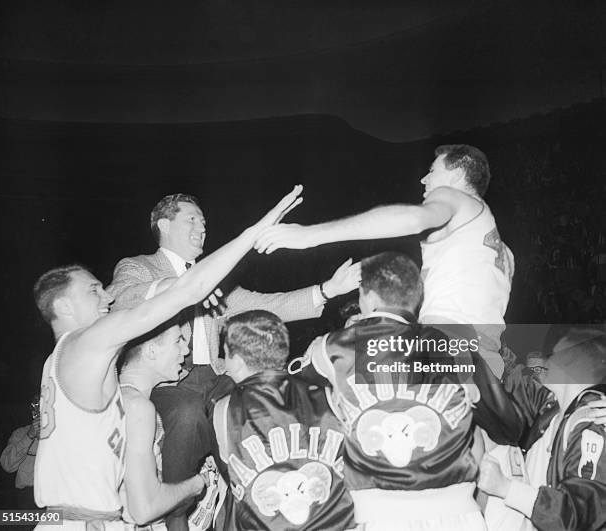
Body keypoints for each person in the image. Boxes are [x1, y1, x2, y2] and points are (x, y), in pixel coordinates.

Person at [32, 186, 303, 530]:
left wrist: (195, 484)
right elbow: (179, 292)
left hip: (100, 519)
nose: (106, 297)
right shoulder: (86, 342)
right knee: (187, 416)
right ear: (64, 307)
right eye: (94, 290)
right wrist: (253, 233)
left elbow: (144, 508)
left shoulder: (98, 380)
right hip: (75, 521)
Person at [107, 192, 359, 531]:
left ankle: (268, 502)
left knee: (269, 395)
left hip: (216, 375)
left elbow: (271, 305)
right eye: (191, 219)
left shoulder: (215, 277)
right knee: (186, 414)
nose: (202, 227)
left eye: (204, 222)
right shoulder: (138, 267)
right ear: (164, 225)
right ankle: (174, 513)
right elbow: (124, 298)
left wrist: (327, 290)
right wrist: (185, 285)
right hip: (168, 380)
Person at [295, 252, 522, 531]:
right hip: (457, 512)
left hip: (377, 514)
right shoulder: (451, 343)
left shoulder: (329, 348)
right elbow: (508, 424)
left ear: (367, 296)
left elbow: (298, 416)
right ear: (416, 298)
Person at [255, 144, 513, 377]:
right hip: (485, 359)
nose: (424, 179)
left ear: (456, 175)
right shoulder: (498, 249)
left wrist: (308, 235)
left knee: (326, 357)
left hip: (450, 348)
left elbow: (414, 219)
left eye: (432, 170)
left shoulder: (454, 196)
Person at [211, 310, 355, 531]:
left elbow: (230, 472)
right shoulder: (329, 395)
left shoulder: (224, 409)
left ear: (238, 362)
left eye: (226, 354)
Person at [479, 325, 606, 531]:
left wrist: (505, 487)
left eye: (554, 355)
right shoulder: (552, 407)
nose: (544, 362)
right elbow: (514, 377)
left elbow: (579, 514)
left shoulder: (591, 422)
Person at [118, 321, 208, 529]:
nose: (186, 351)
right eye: (178, 341)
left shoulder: (122, 398)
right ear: (151, 351)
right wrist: (196, 484)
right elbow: (143, 511)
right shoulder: (136, 407)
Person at [0, 394, 40, 490]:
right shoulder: (20, 433)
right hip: (28, 494)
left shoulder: (60, 436)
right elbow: (7, 465)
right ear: (34, 412)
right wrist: (29, 436)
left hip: (55, 494)